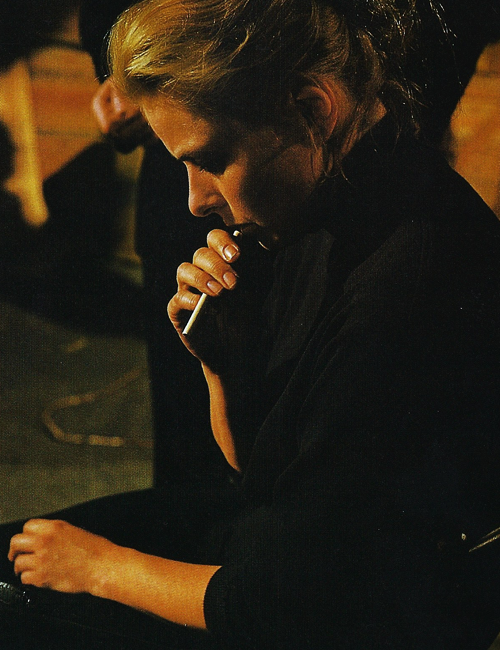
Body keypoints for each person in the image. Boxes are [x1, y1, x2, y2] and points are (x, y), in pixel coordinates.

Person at [2, 0, 500, 648]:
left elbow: (282, 608)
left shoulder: (396, 294)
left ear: (312, 108)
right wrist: (223, 365)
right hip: (290, 556)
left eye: (211, 157)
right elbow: (263, 474)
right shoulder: (328, 205)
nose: (195, 199)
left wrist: (100, 568)